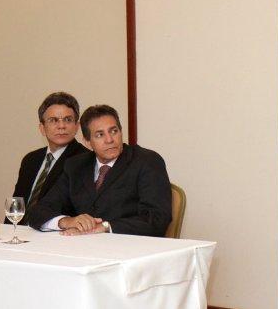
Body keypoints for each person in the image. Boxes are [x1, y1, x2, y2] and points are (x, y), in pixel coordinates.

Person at [28, 104, 172, 237]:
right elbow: (38, 211)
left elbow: (157, 219)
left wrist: (106, 226)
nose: (109, 140)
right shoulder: (76, 166)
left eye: (114, 131)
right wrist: (65, 221)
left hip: (130, 247)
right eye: (100, 135)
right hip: (83, 247)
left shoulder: (146, 161)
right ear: (87, 142)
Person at [12, 92, 89, 225]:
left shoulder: (85, 159)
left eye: (68, 120)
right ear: (42, 128)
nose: (61, 126)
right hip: (20, 232)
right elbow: (16, 206)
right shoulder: (30, 160)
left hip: (56, 233)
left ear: (77, 126)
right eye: (53, 120)